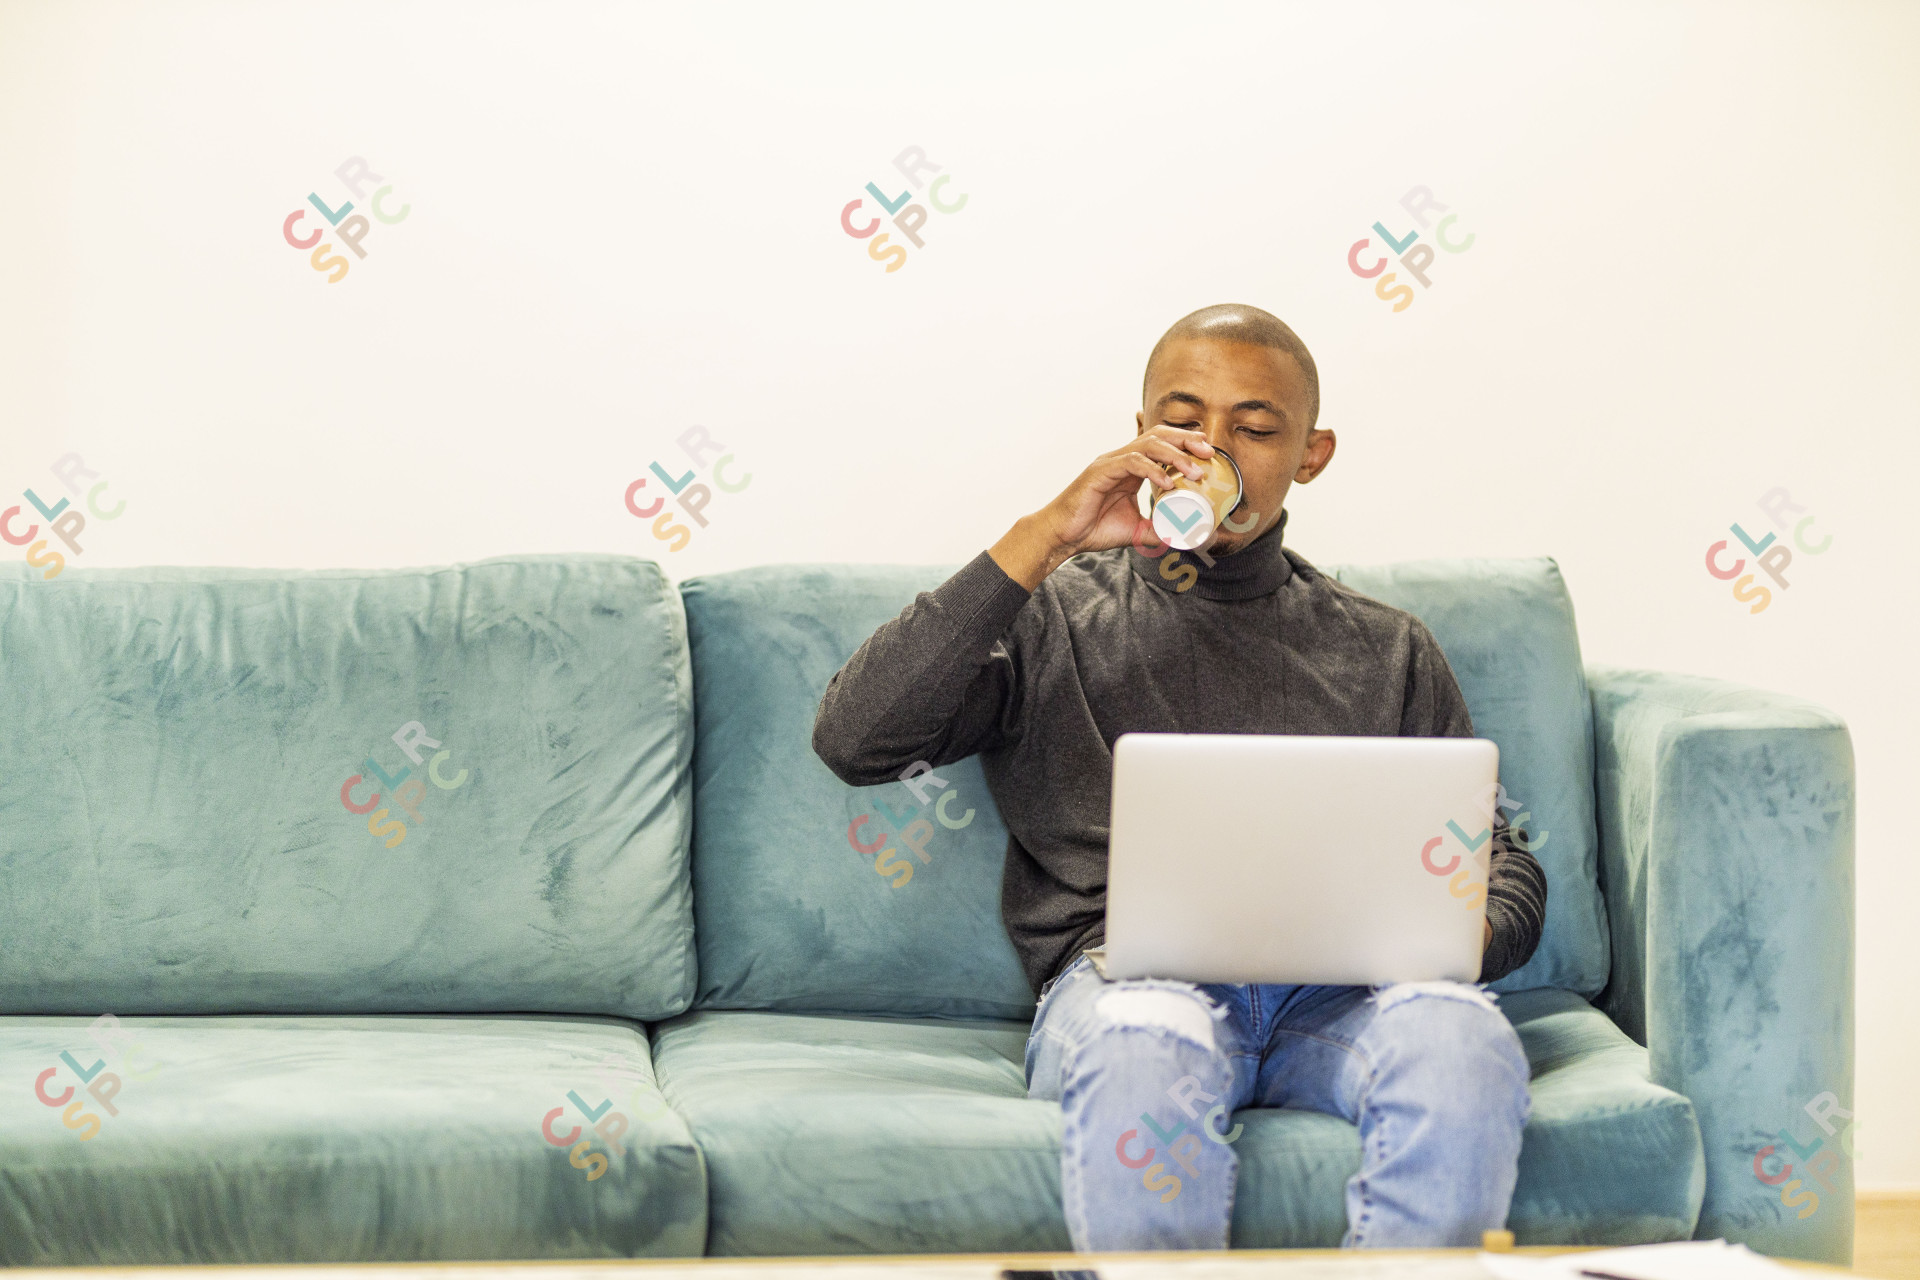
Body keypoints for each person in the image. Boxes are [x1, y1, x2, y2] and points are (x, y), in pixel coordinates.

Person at [811, 303, 1547, 1251]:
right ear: (1141, 434)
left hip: (1345, 1000)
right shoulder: (1054, 615)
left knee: (1465, 1041)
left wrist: (1445, 939)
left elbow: (1500, 859)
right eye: (1185, 419)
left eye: (1254, 426)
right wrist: (1050, 534)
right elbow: (855, 739)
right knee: (1142, 1044)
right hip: (1131, 989)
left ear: (1310, 455)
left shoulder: (1387, 647)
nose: (1213, 447)